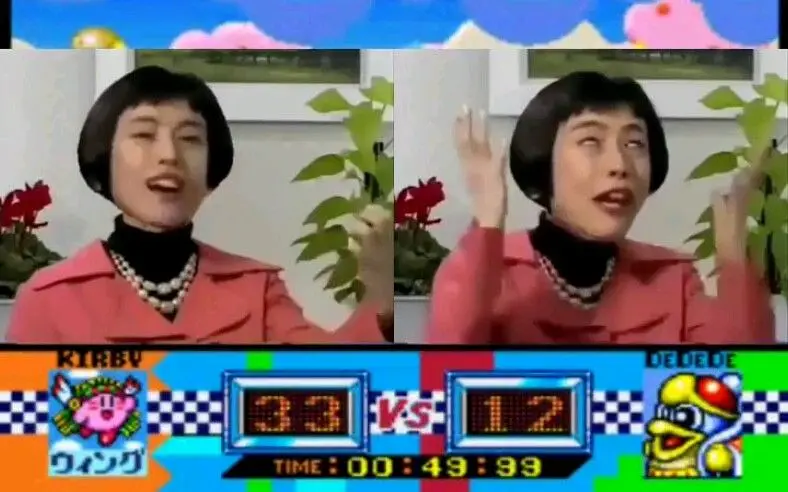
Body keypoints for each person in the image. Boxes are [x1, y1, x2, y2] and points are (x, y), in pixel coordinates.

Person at [6, 66, 393, 344]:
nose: (169, 154)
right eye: (144, 134)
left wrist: (381, 295)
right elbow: (26, 430)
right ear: (104, 158)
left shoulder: (258, 288)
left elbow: (333, 385)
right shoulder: (47, 298)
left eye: (190, 138)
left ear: (212, 169)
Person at [428, 71, 775, 344]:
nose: (620, 165)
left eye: (635, 143)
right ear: (543, 160)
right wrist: (488, 220)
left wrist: (732, 254)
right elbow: (445, 381)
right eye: (590, 140)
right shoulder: (492, 271)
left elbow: (748, 391)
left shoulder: (674, 279)